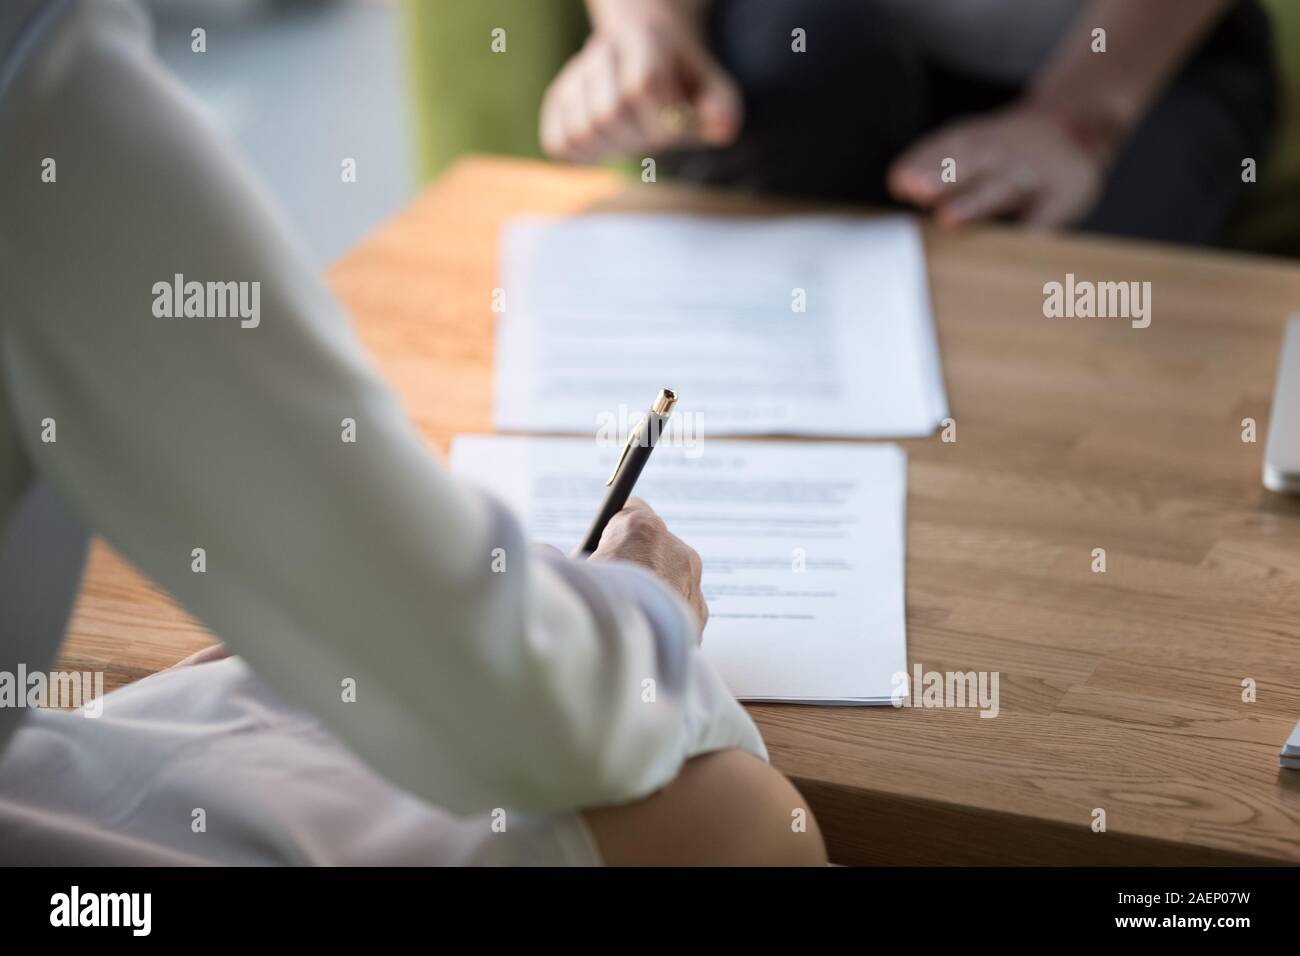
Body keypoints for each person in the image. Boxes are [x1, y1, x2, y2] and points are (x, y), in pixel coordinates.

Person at [0, 0, 825, 865]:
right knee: (732, 818)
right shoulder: (46, 91)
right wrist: (645, 609)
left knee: (270, 704)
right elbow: (545, 717)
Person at [541, 0, 1277, 245]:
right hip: (822, 38)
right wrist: (646, 28)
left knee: (1094, 297)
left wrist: (1077, 121)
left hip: (1136, 54)